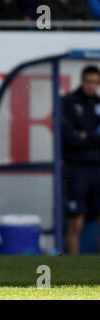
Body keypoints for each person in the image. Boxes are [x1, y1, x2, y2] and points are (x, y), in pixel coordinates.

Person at [62, 65, 100, 255]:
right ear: (82, 81)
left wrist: (87, 136)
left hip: (97, 167)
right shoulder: (69, 102)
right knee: (76, 221)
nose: (91, 86)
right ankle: (71, 269)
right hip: (77, 168)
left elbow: (84, 136)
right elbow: (68, 136)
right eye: (88, 81)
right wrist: (90, 137)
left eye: (95, 82)